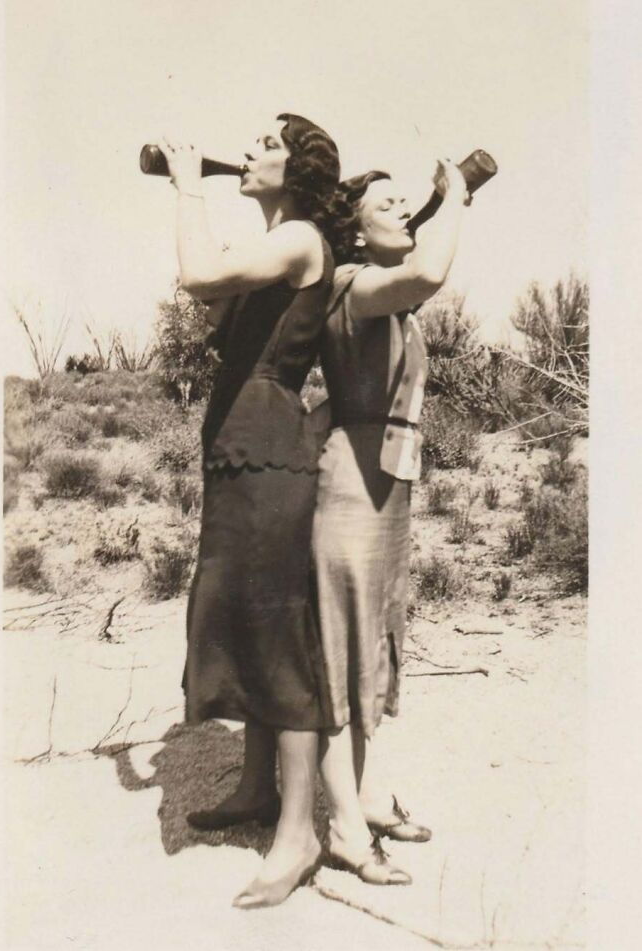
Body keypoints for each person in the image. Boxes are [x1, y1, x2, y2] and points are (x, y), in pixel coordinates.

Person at [158, 114, 342, 909]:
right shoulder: (275, 246)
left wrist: (186, 184)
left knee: (275, 632)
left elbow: (198, 277)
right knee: (238, 615)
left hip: (270, 456)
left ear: (298, 171)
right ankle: (257, 787)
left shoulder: (301, 237)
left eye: (270, 143)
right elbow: (220, 301)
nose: (252, 148)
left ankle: (298, 835)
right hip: (239, 448)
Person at [314, 159, 470, 882]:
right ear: (354, 228)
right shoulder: (354, 284)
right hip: (349, 489)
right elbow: (429, 275)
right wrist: (457, 198)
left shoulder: (387, 299)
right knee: (340, 657)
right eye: (388, 203)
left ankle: (369, 797)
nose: (406, 210)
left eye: (410, 203)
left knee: (373, 647)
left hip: (388, 492)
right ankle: (344, 830)